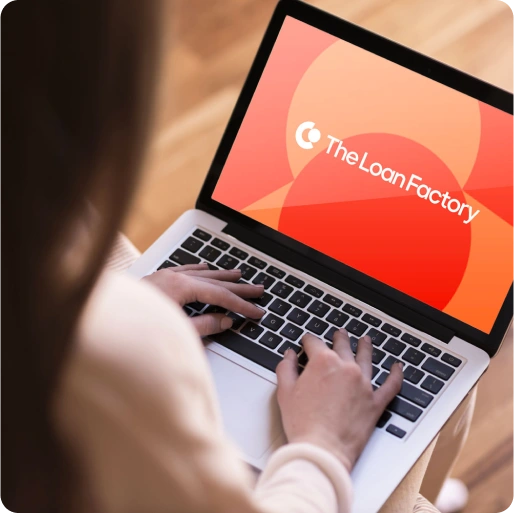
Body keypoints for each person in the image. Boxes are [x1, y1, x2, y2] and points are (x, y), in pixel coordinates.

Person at [0, 1, 473, 513]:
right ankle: (406, 497)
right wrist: (324, 450)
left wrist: (121, 312)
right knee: (439, 396)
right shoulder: (95, 356)